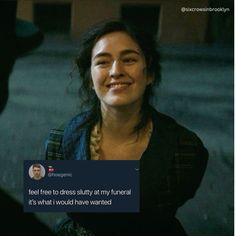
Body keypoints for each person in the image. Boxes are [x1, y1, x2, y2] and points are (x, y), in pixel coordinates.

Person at [45, 20, 208, 236]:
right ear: (91, 80)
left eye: (129, 59)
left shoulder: (186, 149)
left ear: (149, 73)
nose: (116, 71)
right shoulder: (59, 143)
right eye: (102, 62)